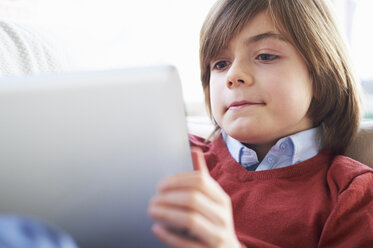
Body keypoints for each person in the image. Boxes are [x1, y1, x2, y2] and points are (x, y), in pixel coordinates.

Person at [148, 0, 373, 247]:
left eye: (265, 56)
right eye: (221, 64)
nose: (233, 76)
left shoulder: (352, 194)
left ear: (321, 77)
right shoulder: (175, 158)